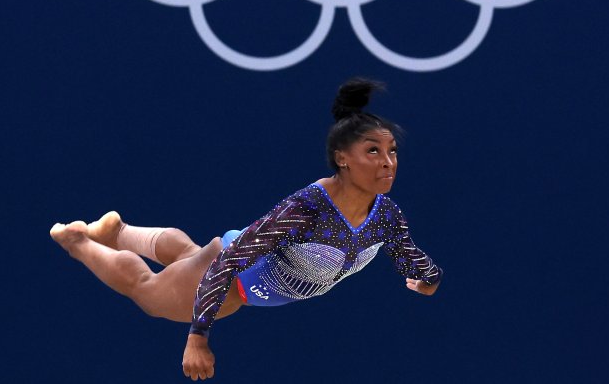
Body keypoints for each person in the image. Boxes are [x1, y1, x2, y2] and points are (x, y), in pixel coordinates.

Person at [50, 78, 443, 380]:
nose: (388, 162)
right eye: (372, 151)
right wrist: (197, 337)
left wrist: (428, 278)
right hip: (231, 282)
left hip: (234, 267)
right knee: (149, 294)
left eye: (392, 151)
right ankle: (79, 242)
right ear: (342, 159)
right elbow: (226, 264)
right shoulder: (307, 209)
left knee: (188, 256)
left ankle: (118, 231)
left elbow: (410, 255)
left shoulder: (386, 215)